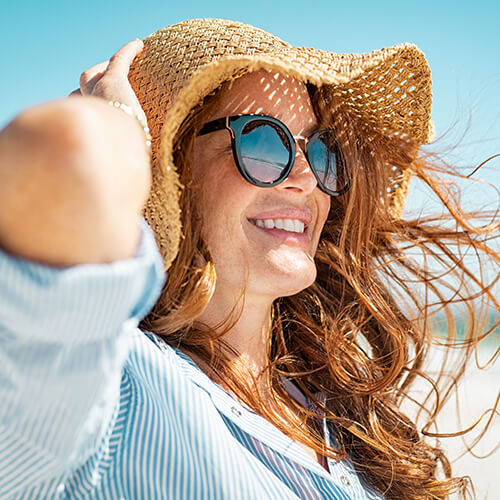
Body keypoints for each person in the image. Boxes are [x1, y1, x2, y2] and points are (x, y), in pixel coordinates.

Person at [0, 18, 498, 500]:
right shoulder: (108, 391)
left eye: (321, 150)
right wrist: (118, 131)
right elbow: (58, 147)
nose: (305, 178)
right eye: (263, 141)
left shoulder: (336, 410)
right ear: (169, 166)